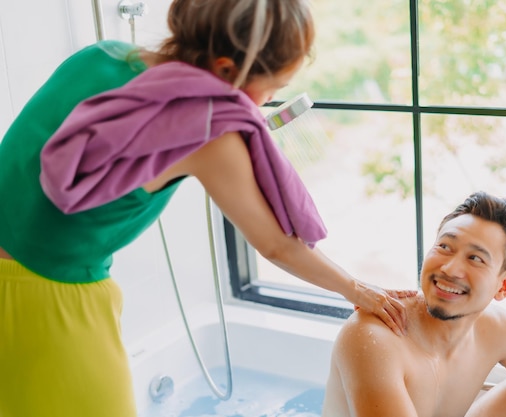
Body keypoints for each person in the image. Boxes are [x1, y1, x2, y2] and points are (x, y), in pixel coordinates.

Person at [0, 1, 416, 416]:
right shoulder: (205, 129)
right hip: (53, 305)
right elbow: (277, 245)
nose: (267, 102)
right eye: (271, 88)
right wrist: (357, 290)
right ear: (225, 70)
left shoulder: (99, 56)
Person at [322, 191, 506, 417]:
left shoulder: (494, 327)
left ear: (504, 285)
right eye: (444, 247)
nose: (450, 269)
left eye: (475, 258)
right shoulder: (374, 335)